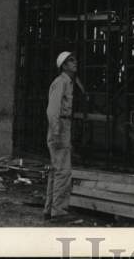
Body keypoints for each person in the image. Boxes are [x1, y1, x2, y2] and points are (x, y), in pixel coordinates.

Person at [44, 51, 77, 222]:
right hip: (60, 127)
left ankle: (50, 210)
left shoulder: (67, 83)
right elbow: (52, 110)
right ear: (63, 65)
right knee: (63, 171)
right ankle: (59, 212)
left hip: (63, 127)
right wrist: (57, 132)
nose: (75, 63)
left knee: (56, 170)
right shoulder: (61, 82)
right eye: (71, 61)